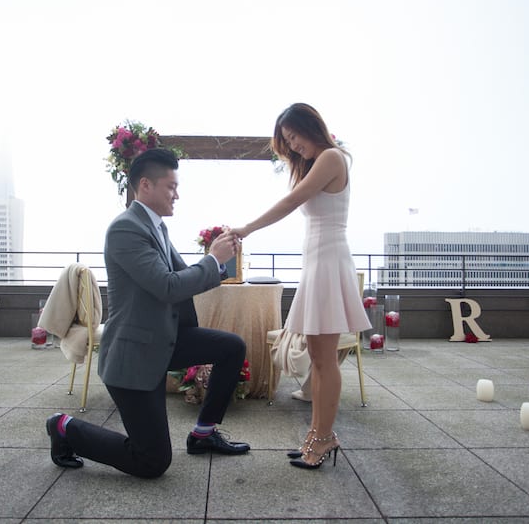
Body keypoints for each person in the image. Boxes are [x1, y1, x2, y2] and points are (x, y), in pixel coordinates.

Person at [46, 148, 250, 478]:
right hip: (134, 355)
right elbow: (167, 287)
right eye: (171, 186)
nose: (177, 195)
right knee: (153, 461)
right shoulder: (125, 229)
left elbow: (185, 277)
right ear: (145, 185)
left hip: (163, 340)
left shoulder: (156, 227)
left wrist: (222, 259)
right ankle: (64, 427)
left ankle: (203, 434)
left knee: (232, 347)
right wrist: (212, 260)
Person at [231, 103, 370, 470]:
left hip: (327, 264)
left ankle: (324, 438)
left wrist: (246, 229)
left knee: (324, 360)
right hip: (319, 264)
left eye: (293, 138)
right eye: (287, 142)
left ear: (311, 127)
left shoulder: (332, 157)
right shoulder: (320, 160)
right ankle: (318, 434)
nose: (293, 147)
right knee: (318, 358)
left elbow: (292, 201)